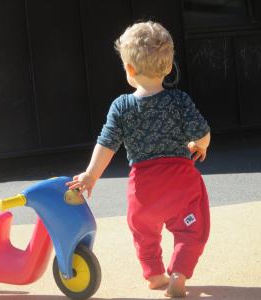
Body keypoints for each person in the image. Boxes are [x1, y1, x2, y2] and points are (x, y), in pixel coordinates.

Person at [67, 21, 211, 298]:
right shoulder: (179, 101)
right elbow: (203, 133)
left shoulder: (121, 106)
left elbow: (106, 144)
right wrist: (198, 144)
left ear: (130, 70)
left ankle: (155, 275)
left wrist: (90, 175)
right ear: (169, 67)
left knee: (143, 232)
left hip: (144, 188)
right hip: (180, 182)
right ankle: (179, 273)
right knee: (192, 231)